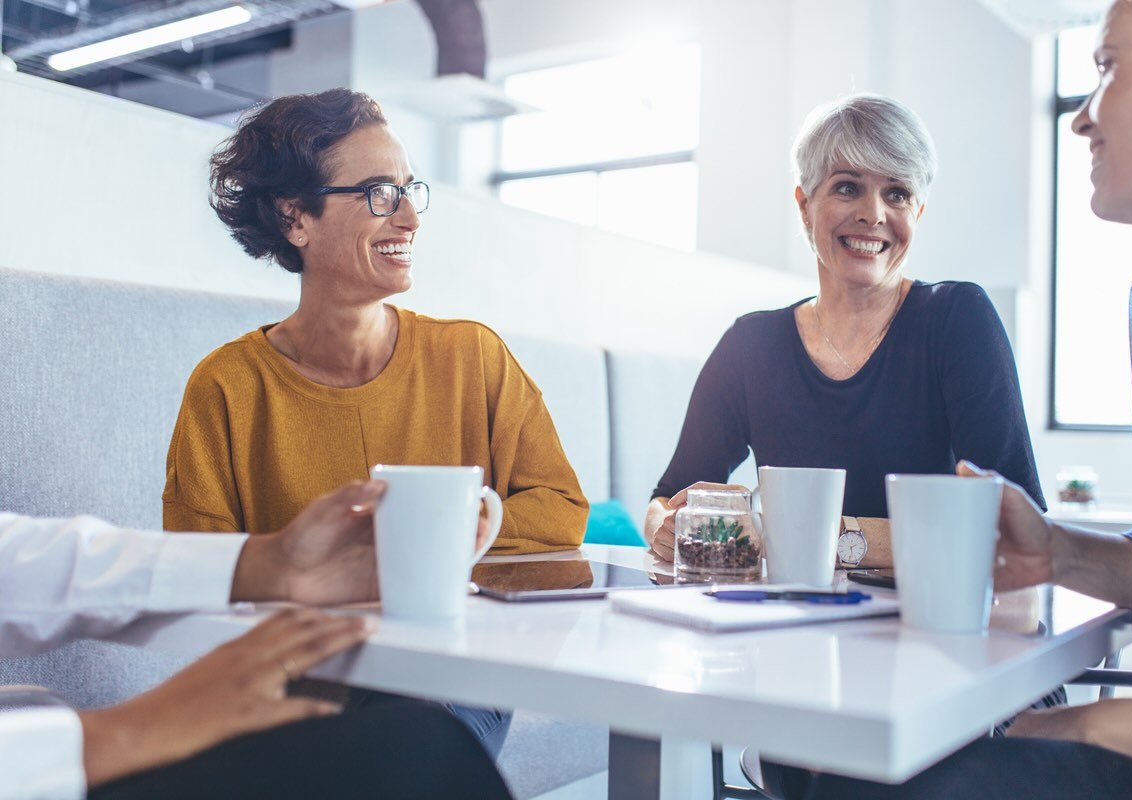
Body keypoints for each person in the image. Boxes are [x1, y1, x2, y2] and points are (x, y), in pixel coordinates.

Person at [765, 0, 1132, 796]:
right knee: (842, 773)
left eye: (1108, 68)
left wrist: (1110, 724)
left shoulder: (957, 318)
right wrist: (1061, 552)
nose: (1081, 119)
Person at [164, 88, 589, 755]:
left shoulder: (471, 355)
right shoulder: (226, 387)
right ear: (295, 217)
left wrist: (433, 545)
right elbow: (196, 571)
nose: (410, 218)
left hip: (451, 680)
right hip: (299, 685)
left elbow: (561, 506)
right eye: (377, 193)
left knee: (415, 746)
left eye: (408, 189)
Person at [645, 94, 1045, 568]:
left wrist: (827, 537)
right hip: (783, 625)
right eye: (848, 187)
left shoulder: (958, 319)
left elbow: (1020, 529)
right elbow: (663, 503)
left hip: (928, 623)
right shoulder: (751, 345)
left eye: (897, 193)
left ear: (917, 213)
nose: (873, 213)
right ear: (804, 205)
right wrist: (669, 529)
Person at [0, 481, 511, 799]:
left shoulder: (476, 356)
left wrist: (266, 564)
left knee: (418, 735)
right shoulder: (230, 378)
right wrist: (118, 733)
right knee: (417, 751)